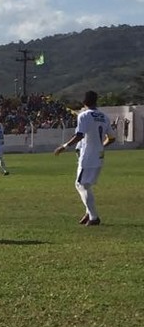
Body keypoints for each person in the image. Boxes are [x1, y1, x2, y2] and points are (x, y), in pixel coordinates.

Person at [53, 90, 114, 226]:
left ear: (84, 102)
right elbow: (112, 137)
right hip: (99, 155)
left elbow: (80, 135)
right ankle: (88, 212)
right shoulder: (104, 116)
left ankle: (93, 217)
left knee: (81, 185)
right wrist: (101, 146)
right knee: (85, 185)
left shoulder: (84, 115)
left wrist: (64, 146)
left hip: (87, 156)